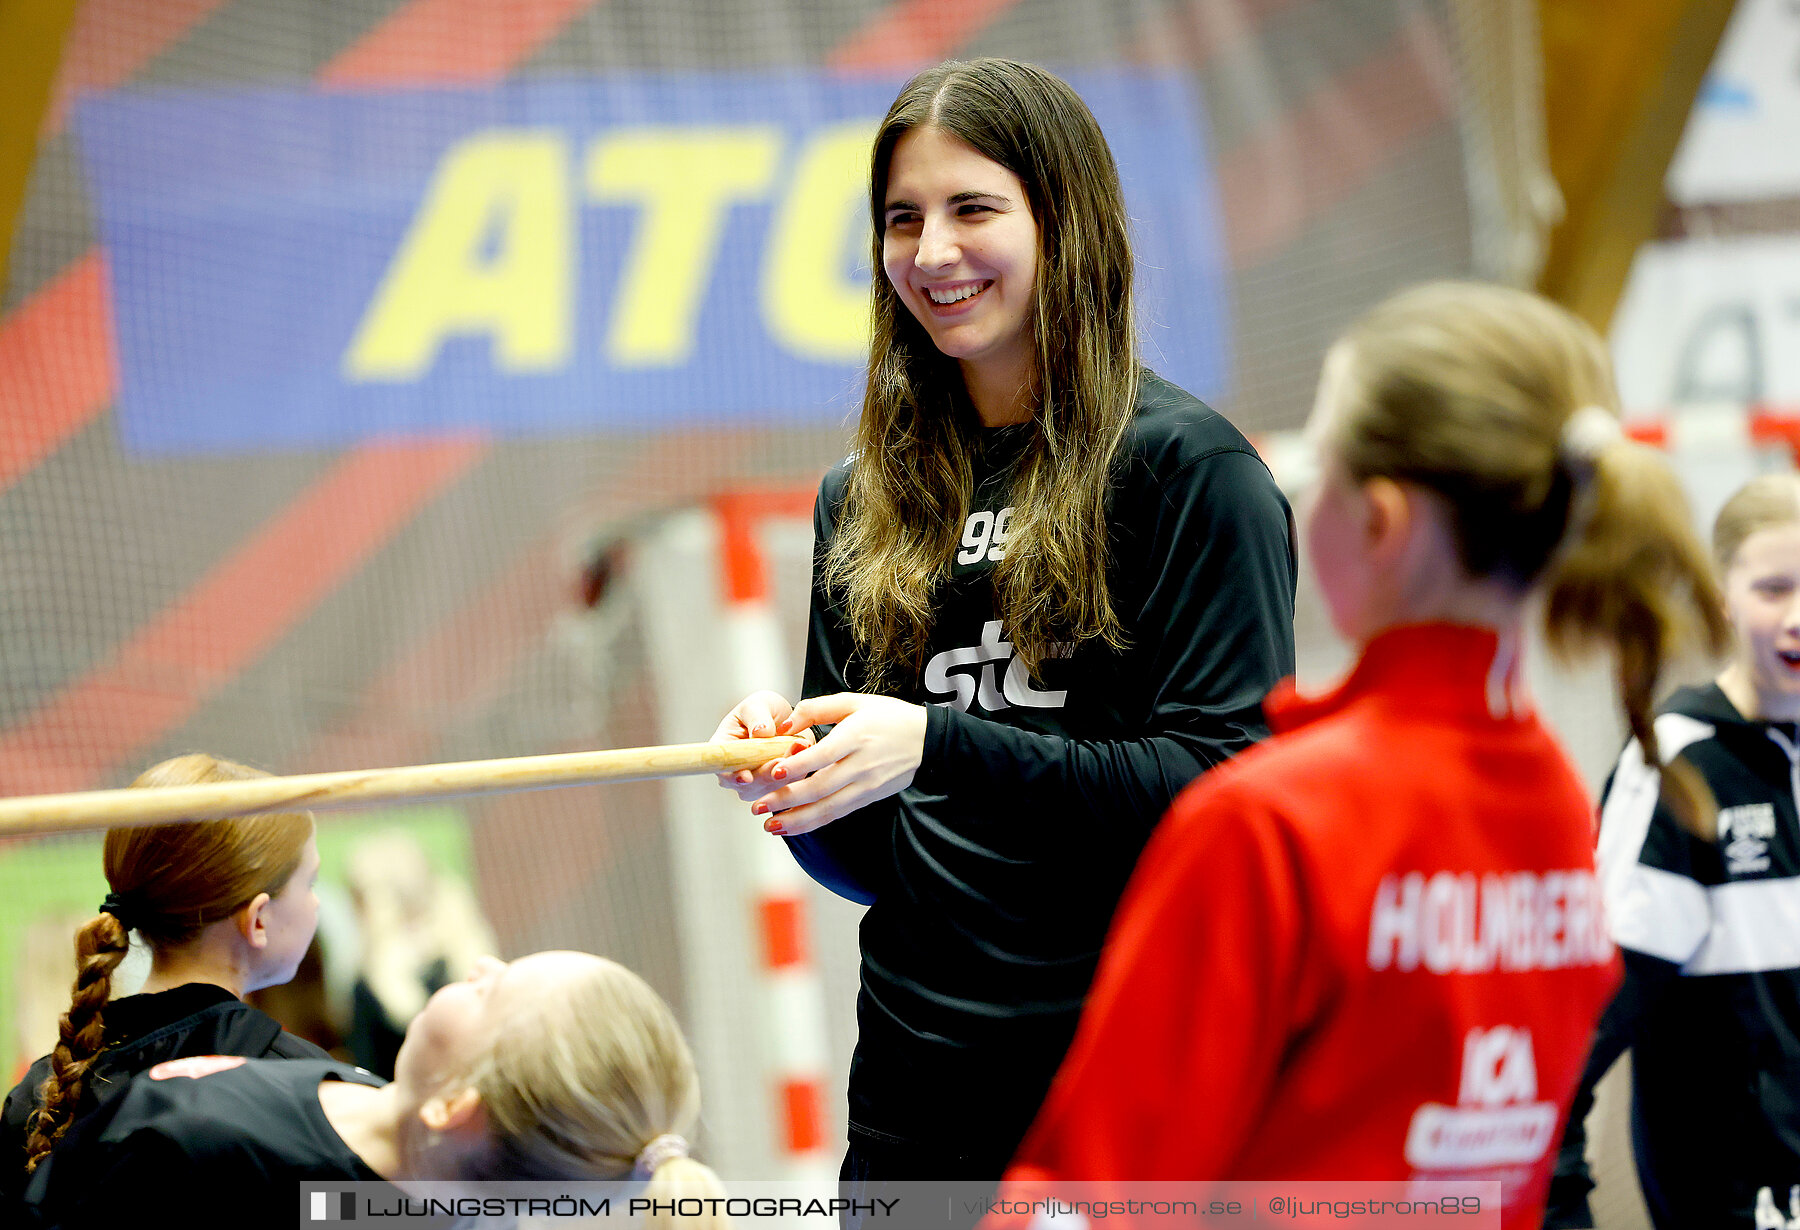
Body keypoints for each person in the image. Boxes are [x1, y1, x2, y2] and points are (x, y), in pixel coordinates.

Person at [995, 281, 1730, 1229]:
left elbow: (1092, 1205)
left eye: (1319, 461)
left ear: (1379, 521)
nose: (1301, 495)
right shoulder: (1551, 797)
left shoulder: (1269, 823)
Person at [711, 57, 1297, 1183]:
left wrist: (936, 743)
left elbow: (1229, 790)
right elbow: (883, 859)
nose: (931, 254)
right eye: (902, 218)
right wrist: (803, 781)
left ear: (1062, 220)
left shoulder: (1188, 469)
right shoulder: (863, 496)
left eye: (973, 209)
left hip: (1137, 1099)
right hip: (918, 1099)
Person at [22, 951, 728, 1229]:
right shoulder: (379, 1112)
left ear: (453, 1106)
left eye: (494, 989)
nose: (479, 964)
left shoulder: (202, 1155)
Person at [1547, 473, 1800, 1230]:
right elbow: (1570, 1043)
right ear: (1721, 593)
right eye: (1773, 589)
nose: (1798, 619)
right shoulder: (1676, 771)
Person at [0, 753, 326, 1211]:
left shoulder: (41, 1094)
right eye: (310, 881)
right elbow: (375, 1214)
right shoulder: (310, 1087)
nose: (315, 904)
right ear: (258, 920)